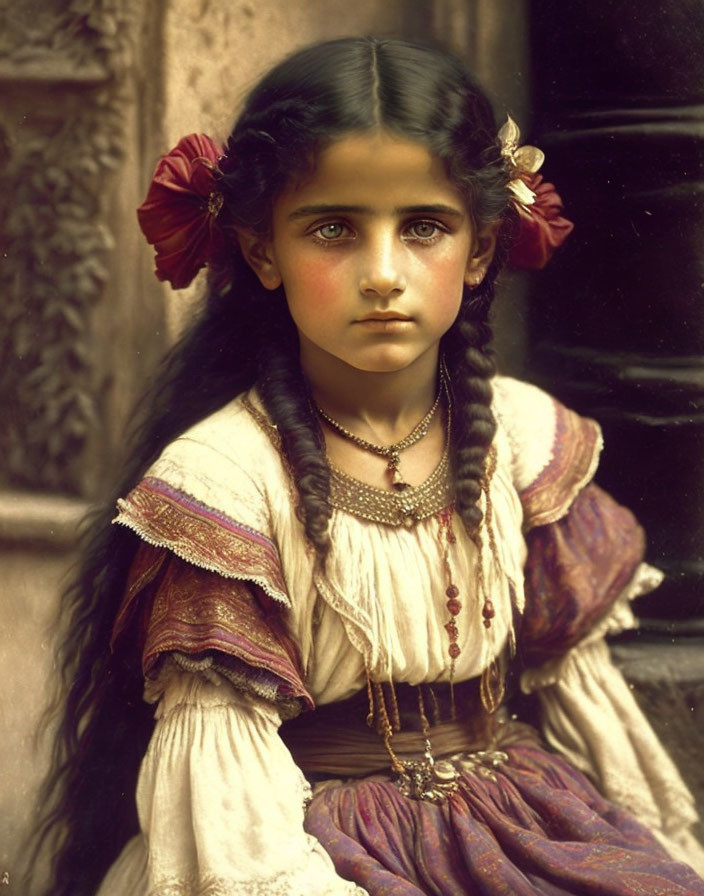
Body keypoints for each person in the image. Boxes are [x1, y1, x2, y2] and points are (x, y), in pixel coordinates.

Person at [31, 36, 704, 896]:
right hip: (311, 841)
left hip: (520, 827)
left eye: (424, 227)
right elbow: (234, 817)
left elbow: (593, 728)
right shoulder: (227, 484)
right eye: (334, 229)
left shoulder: (521, 441)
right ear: (263, 251)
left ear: (484, 247)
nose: (383, 274)